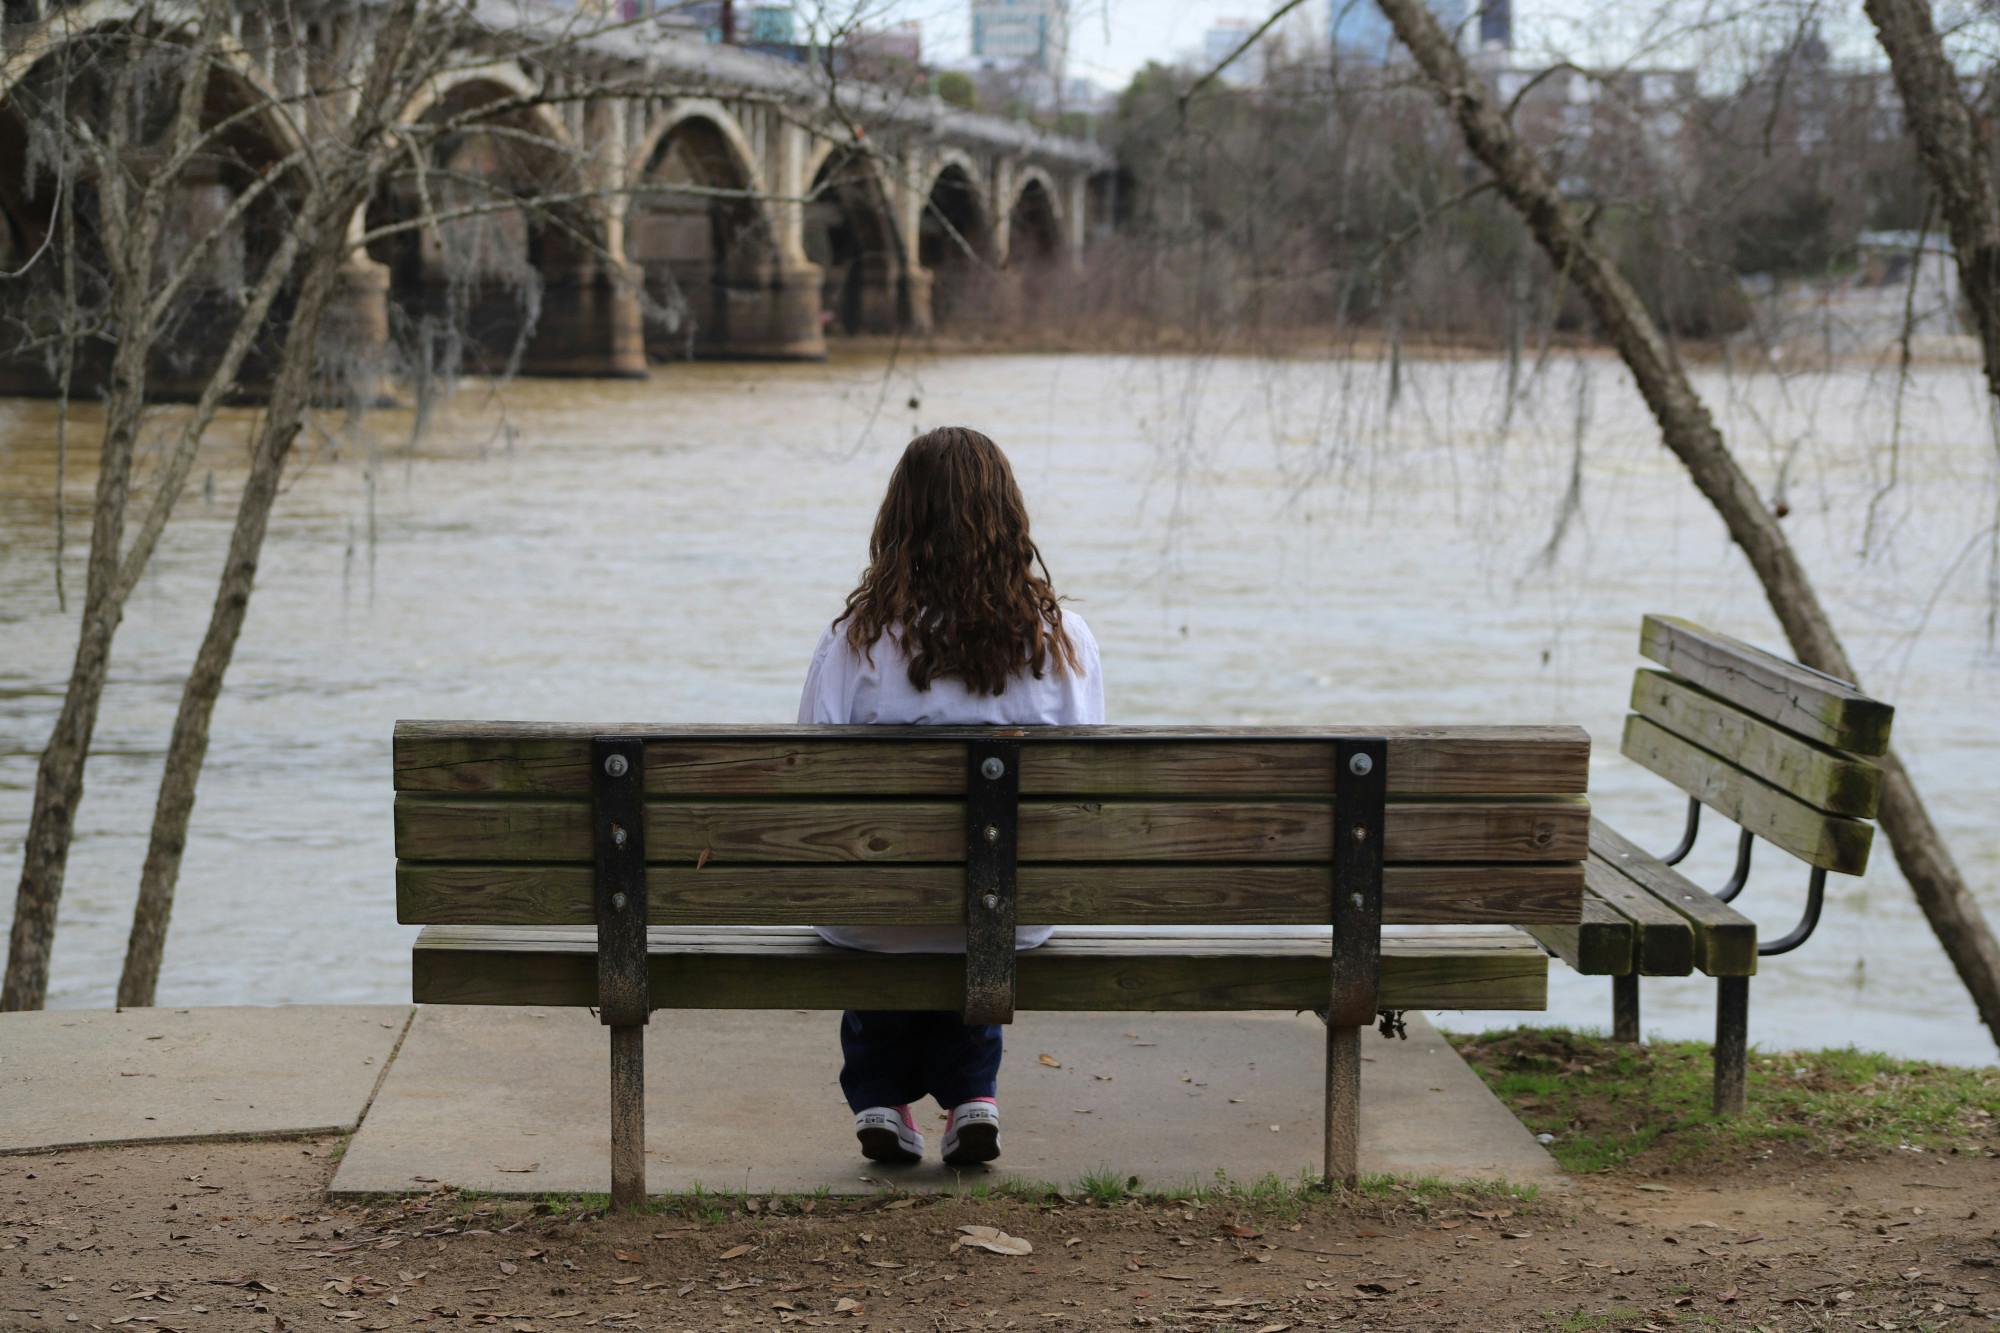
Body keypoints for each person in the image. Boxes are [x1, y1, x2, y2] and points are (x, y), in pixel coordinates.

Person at [797, 426, 1103, 1168]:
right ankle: (973, 1096)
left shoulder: (854, 645)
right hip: (1017, 914)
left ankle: (880, 1094)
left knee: (887, 902)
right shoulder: (1062, 641)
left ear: (898, 521)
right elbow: (1086, 795)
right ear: (1011, 521)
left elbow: (807, 789)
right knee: (990, 895)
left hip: (874, 913)